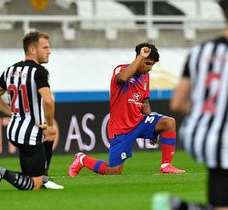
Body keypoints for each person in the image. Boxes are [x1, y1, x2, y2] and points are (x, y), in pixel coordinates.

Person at [153, 0, 228, 209]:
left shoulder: (199, 51)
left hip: (196, 136)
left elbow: (177, 102)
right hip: (224, 142)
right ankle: (177, 206)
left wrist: (207, 113)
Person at [68, 43, 185, 176]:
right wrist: (141, 57)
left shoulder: (145, 76)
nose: (150, 68)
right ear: (138, 58)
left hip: (139, 122)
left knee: (168, 122)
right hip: (121, 128)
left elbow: (144, 102)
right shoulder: (121, 70)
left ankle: (166, 165)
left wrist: (155, 130)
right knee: (113, 171)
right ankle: (82, 159)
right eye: (147, 63)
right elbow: (122, 78)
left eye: (152, 65)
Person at [0, 30, 63, 191]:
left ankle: (43, 178)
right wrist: (49, 125)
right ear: (32, 49)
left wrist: (12, 113)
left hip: (15, 129)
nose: (49, 51)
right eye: (45, 47)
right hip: (30, 133)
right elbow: (48, 101)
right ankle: (1, 172)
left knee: (50, 136)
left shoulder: (10, 70)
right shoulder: (39, 72)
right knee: (32, 184)